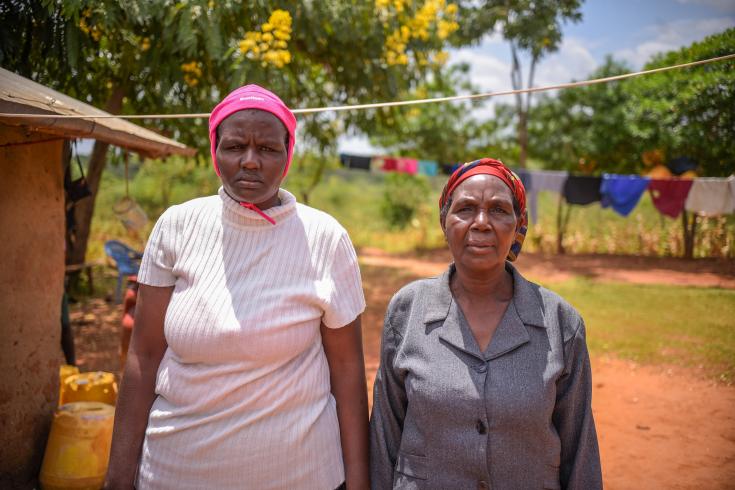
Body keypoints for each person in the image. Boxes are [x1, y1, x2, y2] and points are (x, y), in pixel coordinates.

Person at [105, 85, 369, 489]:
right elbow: (143, 357)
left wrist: (359, 483)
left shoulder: (325, 238)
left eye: (266, 148)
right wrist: (118, 477)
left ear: (288, 153)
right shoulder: (177, 227)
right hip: (175, 472)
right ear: (214, 150)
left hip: (301, 475)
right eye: (234, 147)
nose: (250, 161)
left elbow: (348, 372)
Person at [370, 158, 602, 489]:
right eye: (465, 209)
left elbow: (579, 448)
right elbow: (384, 436)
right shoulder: (407, 310)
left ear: (519, 223)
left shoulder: (560, 323)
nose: (481, 222)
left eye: (498, 210)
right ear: (444, 220)